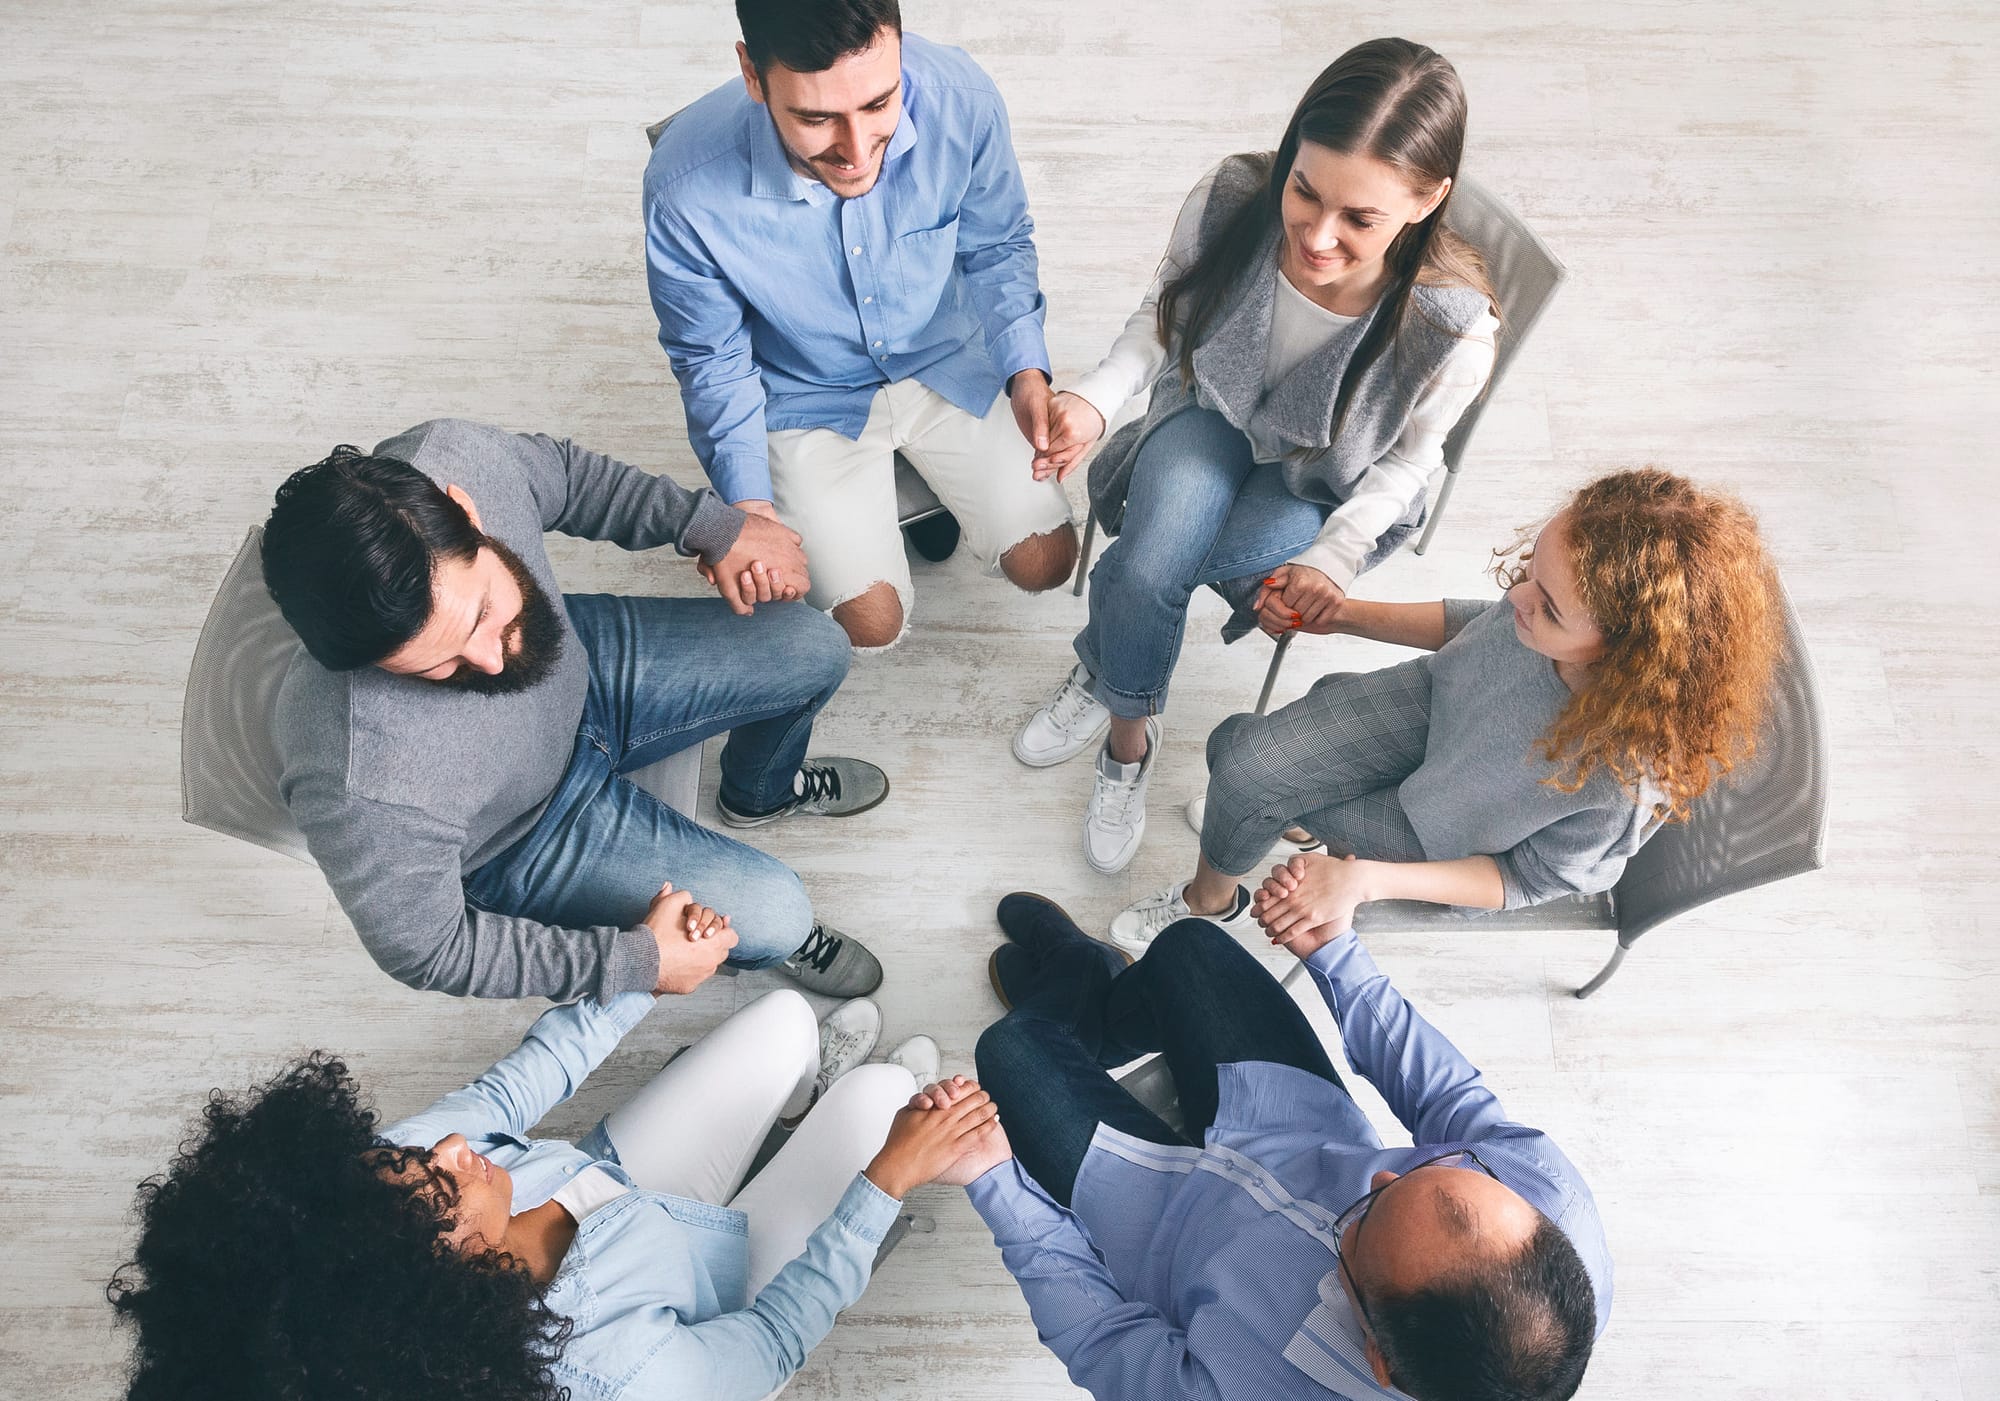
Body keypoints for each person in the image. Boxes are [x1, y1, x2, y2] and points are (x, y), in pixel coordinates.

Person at [107, 904, 996, 1401]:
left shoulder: (371, 1193)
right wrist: (885, 1180)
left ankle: (812, 1095)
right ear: (449, 1294)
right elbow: (771, 1339)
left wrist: (642, 969)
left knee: (787, 1019)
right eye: (437, 1188)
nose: (449, 1146)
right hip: (728, 1292)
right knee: (886, 1104)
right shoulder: (613, 1377)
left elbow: (510, 1089)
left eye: (411, 1158)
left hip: (621, 1186)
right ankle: (850, 1132)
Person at [1014, 37, 1498, 874]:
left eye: (1360, 218)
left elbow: (1406, 467)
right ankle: (1130, 740)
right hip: (1210, 411)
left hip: (1317, 482)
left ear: (1427, 200)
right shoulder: (1235, 196)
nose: (1316, 235)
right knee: (1149, 569)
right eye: (1304, 191)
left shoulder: (1453, 328)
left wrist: (1334, 556)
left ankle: (1106, 671)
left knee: (1146, 568)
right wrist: (1096, 398)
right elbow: (1165, 314)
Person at [259, 417, 888, 1003]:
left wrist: (716, 529)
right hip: (528, 835)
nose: (490, 662)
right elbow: (427, 950)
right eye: (435, 666)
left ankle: (758, 794)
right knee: (779, 914)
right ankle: (773, 940)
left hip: (583, 665)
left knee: (813, 645)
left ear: (464, 509)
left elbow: (563, 477)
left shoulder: (455, 456)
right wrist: (633, 962)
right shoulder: (358, 785)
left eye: (481, 614)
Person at [943, 893, 1609, 1401]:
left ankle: (1074, 983)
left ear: (1381, 1359)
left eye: (1361, 1223)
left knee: (1008, 1050)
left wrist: (993, 1178)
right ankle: (1088, 993)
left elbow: (1102, 1339)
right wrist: (1339, 955)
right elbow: (1451, 1100)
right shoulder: (1551, 1198)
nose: (1377, 1179)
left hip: (1153, 1226)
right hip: (1292, 1115)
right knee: (1187, 947)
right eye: (1424, 1170)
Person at [1109, 468, 1783, 950]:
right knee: (1244, 758)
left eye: (1546, 607)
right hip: (1439, 705)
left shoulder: (1617, 785)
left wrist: (1365, 880)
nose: (1516, 599)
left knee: (1241, 767)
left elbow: (1521, 881)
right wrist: (1341, 614)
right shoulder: (1537, 610)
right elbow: (1472, 626)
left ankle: (1212, 902)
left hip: (1446, 838)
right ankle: (1267, 830)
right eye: (1529, 575)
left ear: (1628, 657)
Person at [643, 0, 1080, 651]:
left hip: (946, 357)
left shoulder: (962, 99)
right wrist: (750, 509)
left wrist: (1025, 370)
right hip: (804, 390)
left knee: (1049, 561)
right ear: (753, 74)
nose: (856, 152)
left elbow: (996, 246)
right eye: (817, 117)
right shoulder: (683, 188)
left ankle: (920, 487)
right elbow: (714, 365)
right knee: (870, 626)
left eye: (880, 103)